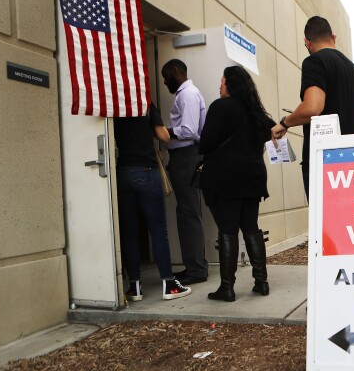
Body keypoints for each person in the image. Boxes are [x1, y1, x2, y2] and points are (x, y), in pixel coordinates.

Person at [199, 66, 276, 302]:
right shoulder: (256, 111)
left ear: (230, 84)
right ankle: (261, 282)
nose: (219, 86)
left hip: (224, 178)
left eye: (222, 82)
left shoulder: (219, 107)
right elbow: (272, 130)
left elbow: (206, 144)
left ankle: (227, 287)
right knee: (251, 227)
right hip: (252, 177)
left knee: (228, 231)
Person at [271, 16, 354, 198]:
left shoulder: (314, 61)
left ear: (307, 42)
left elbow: (312, 107)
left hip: (324, 162)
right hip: (352, 161)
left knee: (324, 224)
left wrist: (285, 123)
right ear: (334, 37)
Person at [114, 103, 191, 301]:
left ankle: (135, 287)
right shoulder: (144, 102)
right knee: (158, 229)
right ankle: (169, 283)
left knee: (129, 231)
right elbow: (163, 136)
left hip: (123, 171)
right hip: (146, 170)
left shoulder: (114, 101)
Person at [161, 59, 208, 286]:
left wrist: (163, 132)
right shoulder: (187, 93)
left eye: (166, 75)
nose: (164, 81)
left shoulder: (187, 94)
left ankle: (196, 270)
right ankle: (195, 266)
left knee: (189, 214)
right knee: (188, 213)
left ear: (176, 71)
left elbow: (188, 131)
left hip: (187, 157)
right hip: (186, 157)